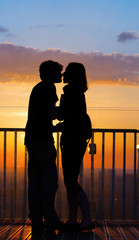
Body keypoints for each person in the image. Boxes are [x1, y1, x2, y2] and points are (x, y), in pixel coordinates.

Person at [25, 60, 63, 232]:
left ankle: (36, 218)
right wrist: (66, 113)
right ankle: (50, 219)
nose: (60, 75)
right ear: (50, 73)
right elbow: (52, 113)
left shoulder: (37, 88)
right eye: (58, 72)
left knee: (35, 181)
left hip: (32, 139)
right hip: (43, 140)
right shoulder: (49, 88)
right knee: (49, 181)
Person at [56, 62, 95, 231]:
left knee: (71, 181)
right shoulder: (77, 92)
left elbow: (64, 116)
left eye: (67, 71)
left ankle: (86, 218)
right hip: (77, 140)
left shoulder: (71, 92)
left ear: (72, 75)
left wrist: (53, 112)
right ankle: (73, 219)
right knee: (71, 181)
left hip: (72, 140)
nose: (63, 74)